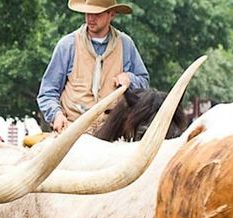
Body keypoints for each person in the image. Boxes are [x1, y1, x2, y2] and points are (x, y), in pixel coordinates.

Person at [37, 0, 150, 133]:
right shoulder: (68, 45)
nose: (90, 18)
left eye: (97, 14)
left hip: (113, 132)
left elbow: (144, 85)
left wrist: (130, 79)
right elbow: (48, 92)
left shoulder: (126, 44)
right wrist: (56, 115)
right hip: (72, 130)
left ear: (111, 14)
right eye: (88, 13)